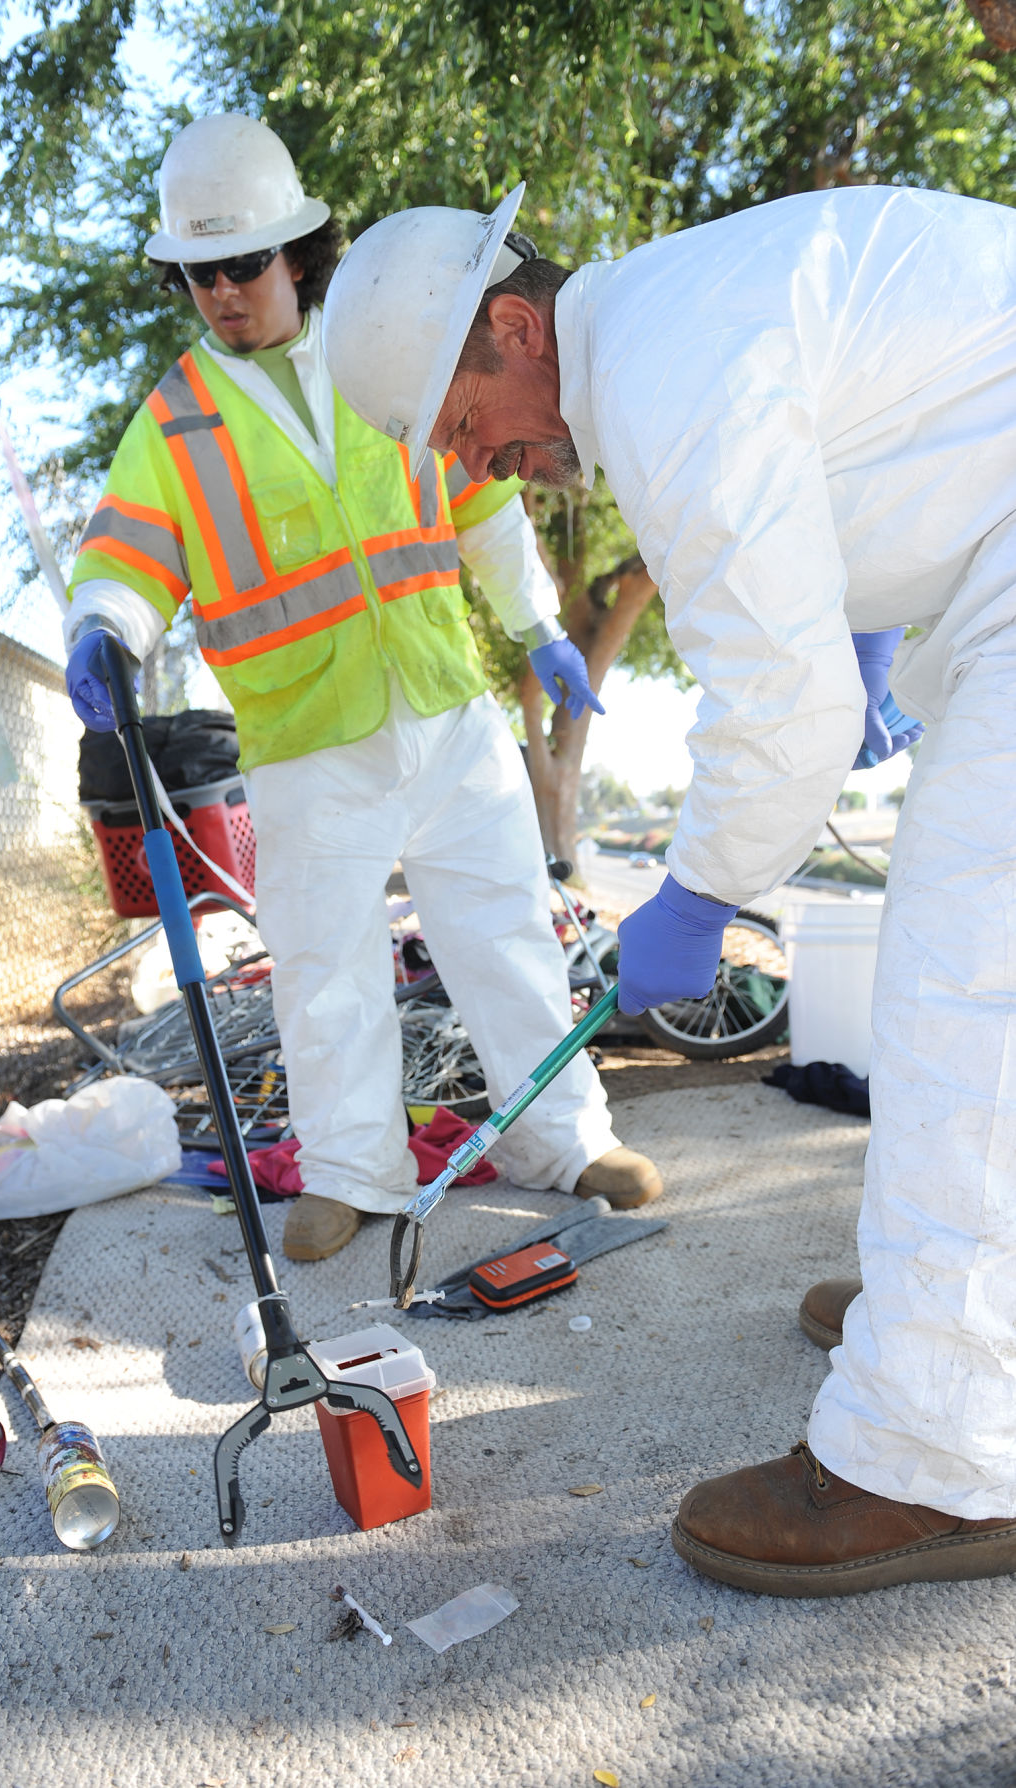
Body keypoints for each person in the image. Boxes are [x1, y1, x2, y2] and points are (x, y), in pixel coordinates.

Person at [321, 182, 1016, 1594]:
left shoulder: (657, 371)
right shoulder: (668, 318)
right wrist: (870, 621)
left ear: (514, 327)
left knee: (963, 998)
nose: (479, 466)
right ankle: (957, 1329)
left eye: (464, 423)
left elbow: (783, 712)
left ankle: (933, 1452)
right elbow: (897, 419)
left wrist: (697, 892)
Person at [63, 116, 663, 1264]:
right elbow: (125, 559)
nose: (224, 292)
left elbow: (481, 499)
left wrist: (539, 626)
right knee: (324, 968)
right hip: (306, 742)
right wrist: (102, 632)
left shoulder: (383, 352)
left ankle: (567, 1143)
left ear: (297, 254)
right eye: (199, 272)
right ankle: (350, 1174)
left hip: (445, 708)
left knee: (508, 935)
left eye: (244, 263)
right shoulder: (173, 423)